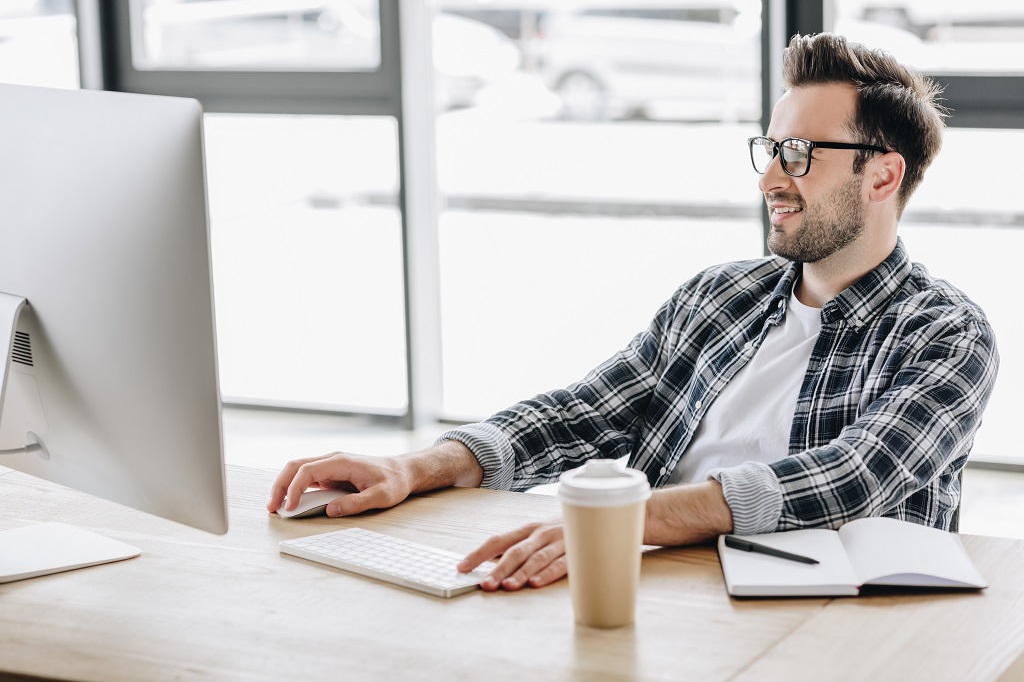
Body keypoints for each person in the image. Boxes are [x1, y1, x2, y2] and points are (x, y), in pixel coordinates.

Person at [267, 32, 999, 592]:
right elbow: (583, 412)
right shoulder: (721, 295)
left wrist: (617, 524)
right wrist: (413, 466)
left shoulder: (947, 335)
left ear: (884, 174)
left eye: (802, 152)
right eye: (771, 149)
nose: (773, 176)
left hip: (828, 625)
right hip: (654, 584)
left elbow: (852, 475)